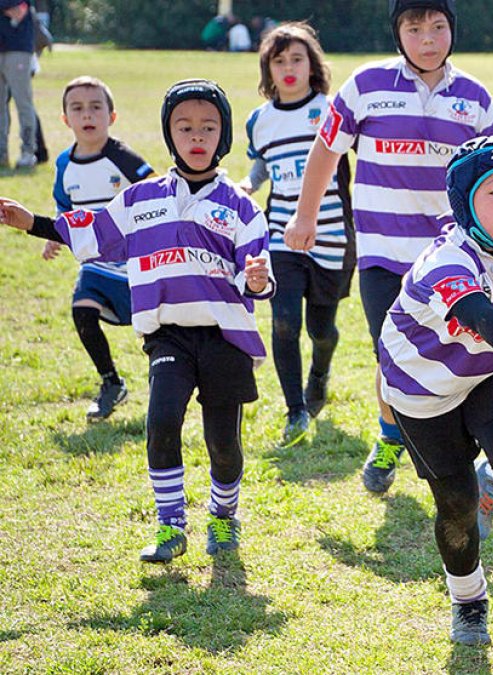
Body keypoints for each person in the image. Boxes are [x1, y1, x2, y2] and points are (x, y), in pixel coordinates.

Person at [0, 79, 274, 562]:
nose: (196, 136)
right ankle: (171, 525)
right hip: (167, 333)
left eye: (208, 128)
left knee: (223, 443)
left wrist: (255, 280)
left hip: (225, 338)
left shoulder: (242, 207)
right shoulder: (141, 199)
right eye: (184, 127)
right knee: (161, 422)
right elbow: (91, 231)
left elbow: (258, 269)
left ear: (223, 136)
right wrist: (34, 224)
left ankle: (223, 516)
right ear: (170, 134)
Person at [284, 0, 493, 494]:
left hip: (454, 258)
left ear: (453, 29)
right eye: (415, 27)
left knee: (460, 354)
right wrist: (305, 216)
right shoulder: (365, 87)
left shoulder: (476, 99)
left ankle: (459, 452)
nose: (428, 38)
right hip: (383, 254)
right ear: (397, 34)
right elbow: (325, 150)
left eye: (439, 27)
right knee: (392, 356)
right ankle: (389, 436)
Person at [380, 137, 493, 648]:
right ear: (465, 205)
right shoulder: (445, 259)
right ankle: (467, 600)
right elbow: (478, 314)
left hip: (487, 374)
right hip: (421, 389)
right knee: (456, 500)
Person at [243, 22, 354, 447]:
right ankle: (295, 410)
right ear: (267, 70)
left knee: (320, 329)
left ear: (313, 65)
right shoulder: (260, 120)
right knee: (285, 322)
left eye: (297, 59)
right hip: (281, 236)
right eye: (278, 61)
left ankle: (320, 376)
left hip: (332, 236)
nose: (288, 68)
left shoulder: (332, 110)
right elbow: (260, 165)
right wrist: (248, 185)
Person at [40, 76, 154, 422]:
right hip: (95, 263)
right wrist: (54, 234)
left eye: (95, 107)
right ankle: (111, 383)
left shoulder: (122, 157)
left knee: (154, 329)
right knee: (83, 311)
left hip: (135, 262)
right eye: (77, 108)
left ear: (112, 116)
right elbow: (64, 206)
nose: (87, 115)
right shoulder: (64, 164)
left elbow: (154, 189)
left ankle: (165, 387)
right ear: (65, 119)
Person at [0, 0, 39, 169]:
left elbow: (18, 10)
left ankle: (28, 152)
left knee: (23, 103)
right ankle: (1, 153)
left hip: (18, 48)